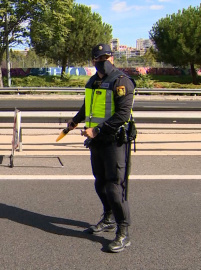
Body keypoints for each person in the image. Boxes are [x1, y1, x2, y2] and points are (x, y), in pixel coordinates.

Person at [66, 43, 136, 253]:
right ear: (93, 60)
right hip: (97, 142)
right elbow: (87, 105)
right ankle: (108, 218)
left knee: (115, 187)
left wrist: (97, 130)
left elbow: (123, 115)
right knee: (100, 183)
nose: (103, 61)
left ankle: (123, 233)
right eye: (99, 58)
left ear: (112, 58)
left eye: (107, 57)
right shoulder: (93, 80)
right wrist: (75, 121)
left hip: (114, 141)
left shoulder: (121, 82)